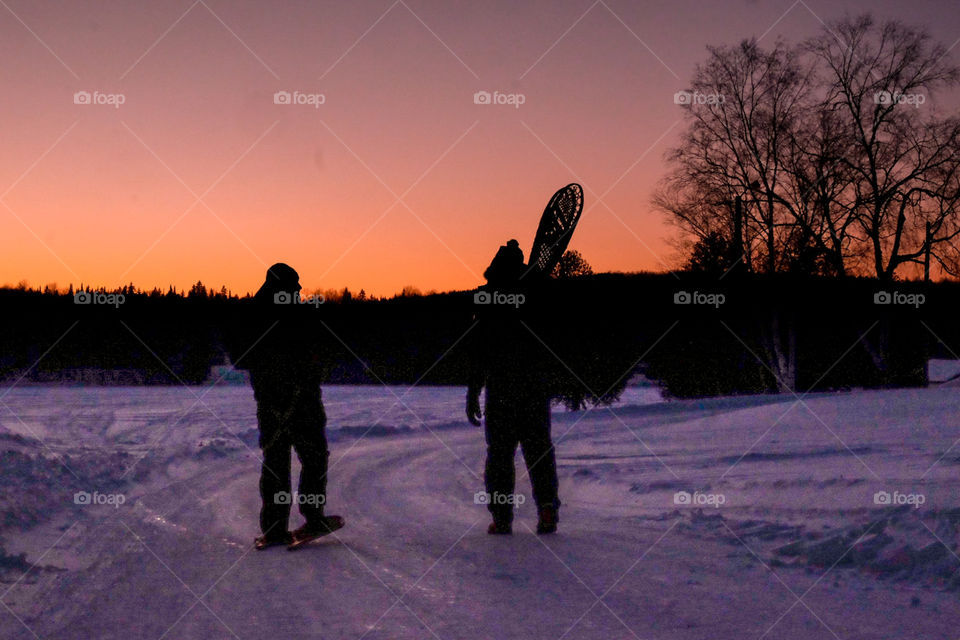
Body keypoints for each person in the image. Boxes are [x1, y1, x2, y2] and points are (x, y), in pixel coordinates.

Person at [232, 263, 343, 549]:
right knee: (313, 458)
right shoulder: (298, 314)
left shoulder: (251, 315)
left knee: (276, 463)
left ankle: (274, 528)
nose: (298, 291)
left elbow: (240, 357)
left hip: (270, 402)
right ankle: (311, 518)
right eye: (294, 286)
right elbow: (321, 352)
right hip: (299, 400)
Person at [467, 240, 561, 534]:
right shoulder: (539, 295)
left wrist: (473, 390)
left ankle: (502, 517)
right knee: (539, 452)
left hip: (502, 389)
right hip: (533, 387)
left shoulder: (486, 299)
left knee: (499, 456)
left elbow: (478, 350)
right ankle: (546, 510)